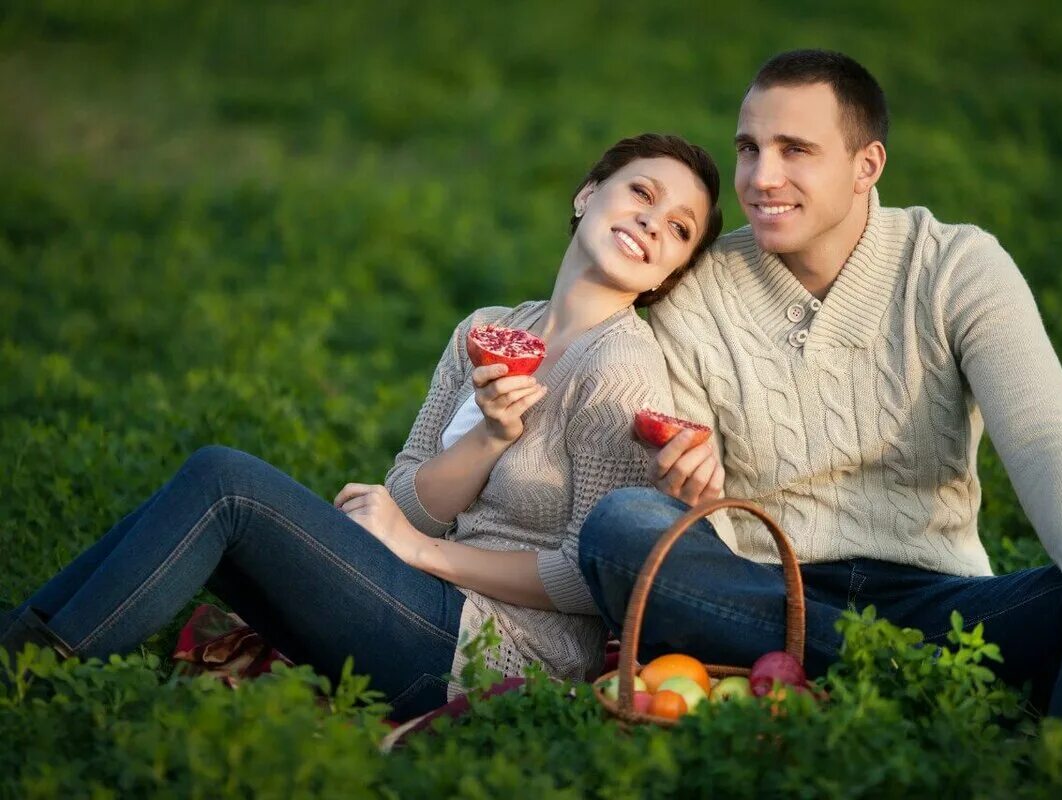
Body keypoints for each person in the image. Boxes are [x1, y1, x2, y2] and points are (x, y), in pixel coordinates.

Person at [0, 133, 723, 721]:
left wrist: (421, 554)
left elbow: (589, 577)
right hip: (418, 608)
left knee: (224, 483)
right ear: (587, 194)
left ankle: (23, 671)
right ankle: (24, 645)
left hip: (491, 653)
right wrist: (489, 440)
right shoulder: (489, 329)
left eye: (679, 228)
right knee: (213, 506)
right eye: (642, 192)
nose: (654, 221)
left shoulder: (619, 369)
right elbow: (404, 500)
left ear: (668, 273)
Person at [578, 50, 1062, 732]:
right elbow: (711, 527)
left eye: (796, 150)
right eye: (750, 148)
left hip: (947, 603)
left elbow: (1043, 438)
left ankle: (1060, 763)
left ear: (866, 166)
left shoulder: (956, 266)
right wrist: (699, 498)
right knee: (623, 530)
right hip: (767, 595)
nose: (762, 177)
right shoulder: (697, 291)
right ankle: (954, 692)